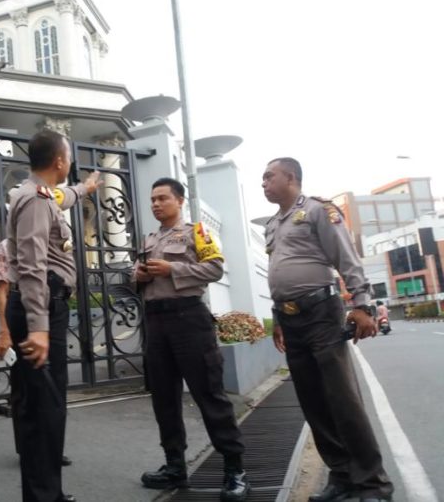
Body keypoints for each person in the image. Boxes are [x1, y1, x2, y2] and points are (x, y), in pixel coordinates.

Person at [262, 157, 393, 502]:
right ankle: (342, 477)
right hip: (291, 320)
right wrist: (278, 320)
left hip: (321, 312)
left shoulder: (319, 210)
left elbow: (346, 257)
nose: (263, 183)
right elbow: (279, 275)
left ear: (290, 177)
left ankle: (372, 484)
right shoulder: (272, 224)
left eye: (269, 176)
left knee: (342, 400)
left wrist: (362, 305)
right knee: (313, 403)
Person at [133, 178, 250, 501]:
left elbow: (214, 270)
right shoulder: (149, 238)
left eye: (162, 198)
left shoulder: (197, 233)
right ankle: (175, 466)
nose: (156, 204)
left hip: (189, 319)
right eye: (153, 199)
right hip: (156, 320)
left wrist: (172, 268)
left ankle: (234, 469)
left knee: (209, 394)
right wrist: (139, 276)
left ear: (180, 200)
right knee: (164, 399)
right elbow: (136, 276)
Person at [5, 129, 102, 502]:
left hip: (46, 304)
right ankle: (44, 497)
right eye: (70, 157)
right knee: (43, 410)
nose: (71, 164)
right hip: (41, 305)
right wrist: (39, 327)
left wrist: (86, 189)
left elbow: (64, 197)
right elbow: (31, 265)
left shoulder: (43, 195)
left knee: (48, 406)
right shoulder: (33, 199)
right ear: (60, 161)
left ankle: (49, 494)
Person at [0, 185, 75, 467]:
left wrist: (85, 188)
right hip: (22, 314)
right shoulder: (6, 246)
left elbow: (65, 196)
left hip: (50, 309)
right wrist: (4, 332)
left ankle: (52, 447)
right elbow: (2, 291)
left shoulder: (49, 234)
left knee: (54, 384)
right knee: (25, 388)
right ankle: (27, 448)